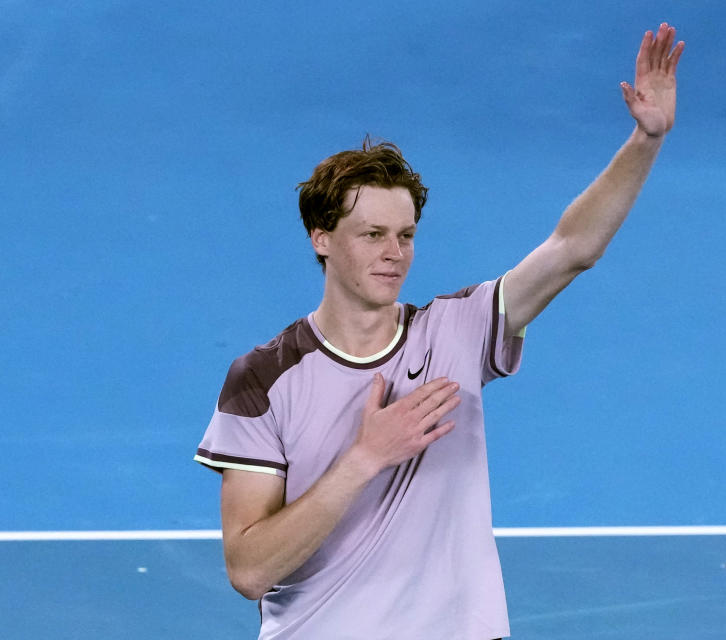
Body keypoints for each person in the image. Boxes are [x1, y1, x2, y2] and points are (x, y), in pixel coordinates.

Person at [194, 22, 684, 640]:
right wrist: (365, 457)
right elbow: (250, 570)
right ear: (321, 238)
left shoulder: (458, 330)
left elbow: (573, 248)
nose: (393, 253)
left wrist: (645, 139)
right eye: (372, 235)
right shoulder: (263, 379)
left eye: (405, 235)